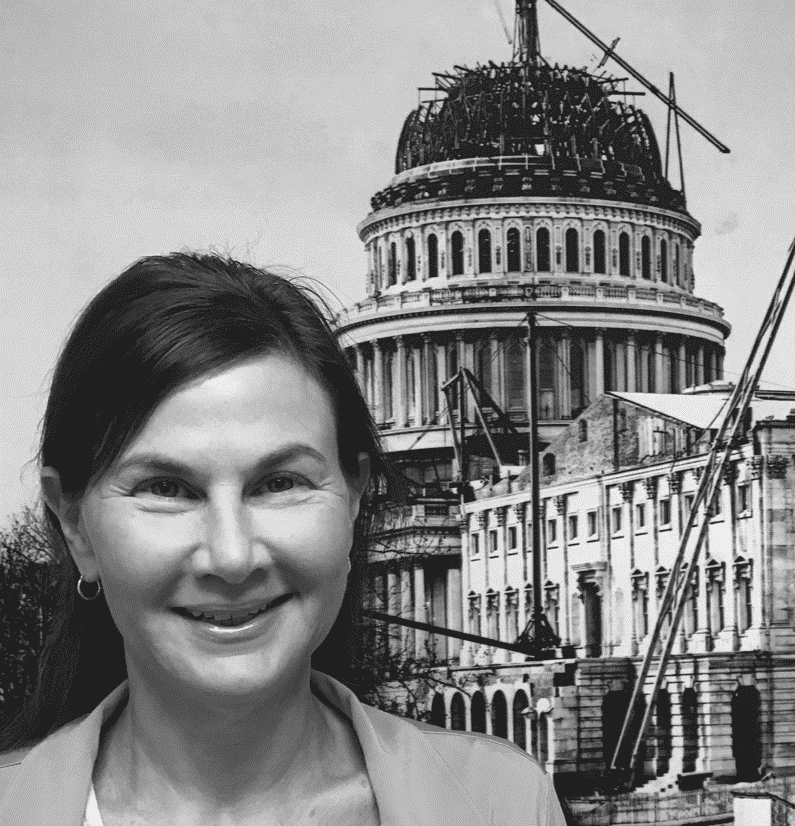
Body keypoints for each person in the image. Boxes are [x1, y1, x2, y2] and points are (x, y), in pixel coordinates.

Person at [0, 252, 565, 825]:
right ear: (75, 525)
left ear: (355, 498)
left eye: (279, 483)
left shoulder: (504, 807)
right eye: (166, 488)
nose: (232, 556)